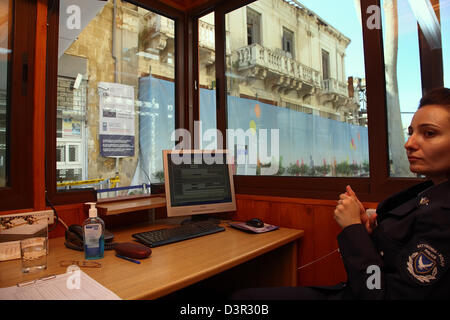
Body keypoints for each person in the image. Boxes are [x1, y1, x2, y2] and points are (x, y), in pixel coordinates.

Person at [231, 87, 450, 300]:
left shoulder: (443, 217)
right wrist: (369, 232)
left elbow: (381, 294)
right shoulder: (429, 192)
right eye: (411, 132)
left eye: (429, 133)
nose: (409, 143)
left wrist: (353, 228)